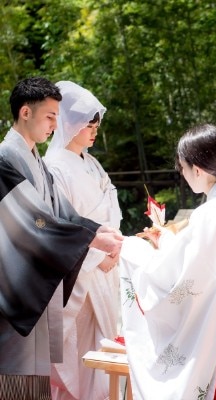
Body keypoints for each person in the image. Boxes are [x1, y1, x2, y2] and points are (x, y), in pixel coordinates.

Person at [119, 124, 216, 399]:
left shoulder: (213, 214)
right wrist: (166, 241)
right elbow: (194, 256)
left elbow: (174, 276)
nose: (182, 174)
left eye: (182, 168)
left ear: (198, 170)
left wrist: (130, 249)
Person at [0, 76, 123, 400]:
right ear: (25, 112)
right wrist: (92, 240)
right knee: (16, 370)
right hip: (17, 283)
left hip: (36, 278)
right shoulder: (5, 158)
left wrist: (96, 230)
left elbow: (61, 212)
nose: (56, 125)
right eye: (51, 116)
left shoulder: (35, 158)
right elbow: (33, 219)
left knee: (35, 373)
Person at [44, 81, 122, 400]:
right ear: (69, 124)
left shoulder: (91, 162)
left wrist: (114, 244)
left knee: (104, 344)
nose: (93, 131)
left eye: (96, 125)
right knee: (81, 350)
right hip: (79, 273)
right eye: (87, 125)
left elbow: (109, 206)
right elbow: (58, 226)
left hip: (106, 268)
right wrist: (96, 256)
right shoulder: (52, 168)